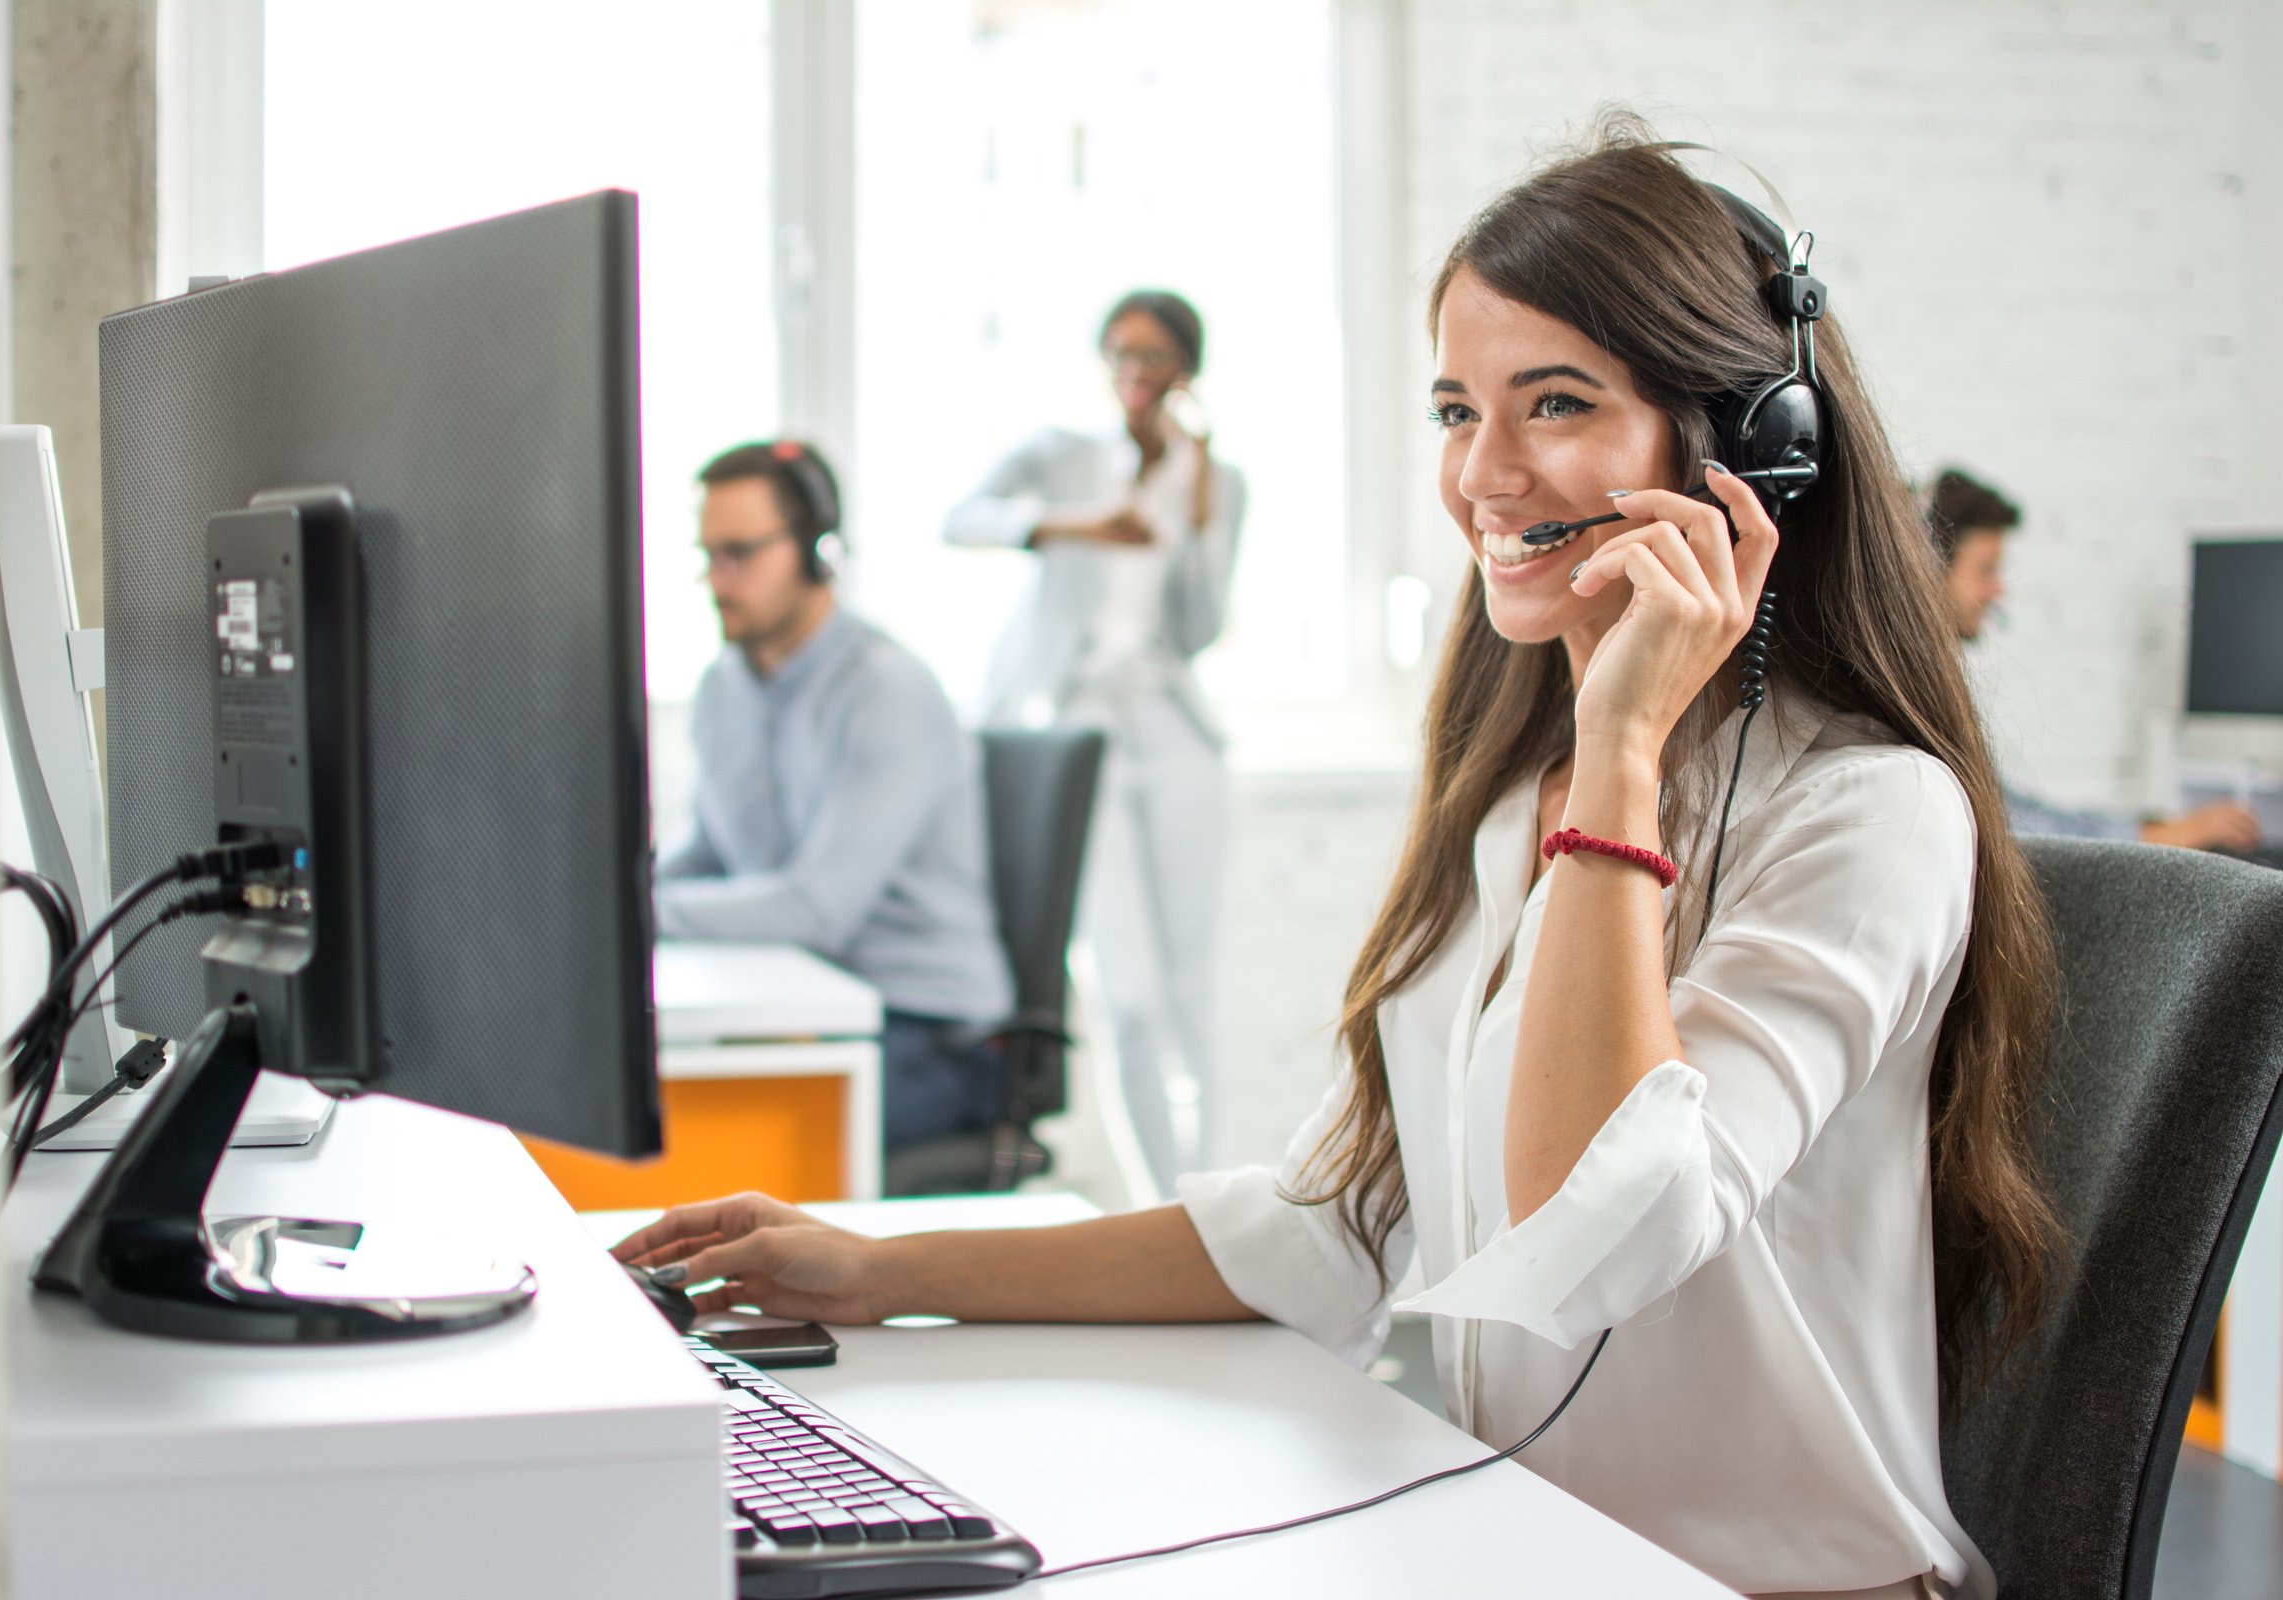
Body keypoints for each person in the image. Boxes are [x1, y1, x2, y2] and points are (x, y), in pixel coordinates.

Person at [621, 126, 2064, 1599]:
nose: (1483, 477)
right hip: (1537, 1555)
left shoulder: (1869, 815)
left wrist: (1625, 739)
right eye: (1456, 409)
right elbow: (1336, 1221)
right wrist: (876, 1273)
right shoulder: (1517, 804)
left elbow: (1603, 1239)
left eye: (1554, 402)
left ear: (1754, 447)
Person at [943, 290, 1248, 1194]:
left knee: (1192, 988)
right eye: (1119, 352)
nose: (1133, 372)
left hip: (1172, 727)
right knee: (1129, 995)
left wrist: (1197, 515)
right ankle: (1163, 1204)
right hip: (1075, 728)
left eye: (1152, 356)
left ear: (1185, 371)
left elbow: (1198, 628)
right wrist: (1074, 525)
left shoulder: (1216, 479)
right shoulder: (1061, 456)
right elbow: (959, 519)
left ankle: (1210, 1195)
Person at [654, 440, 1014, 1161]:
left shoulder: (886, 690)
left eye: (740, 554)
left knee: (696, 1138)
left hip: (930, 1035)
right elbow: (714, 853)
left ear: (818, 551)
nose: (717, 581)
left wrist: (633, 917)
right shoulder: (724, 686)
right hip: (808, 1007)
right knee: (651, 1098)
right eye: (708, 556)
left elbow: (817, 910)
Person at [1929, 466, 2262, 851]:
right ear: (1927, 568)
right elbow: (2019, 836)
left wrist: (2149, 829)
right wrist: (2165, 837)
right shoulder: (1920, 694)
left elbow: (2017, 811)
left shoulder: (1938, 683)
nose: (1998, 590)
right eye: (1986, 570)